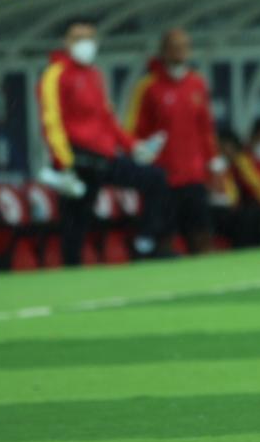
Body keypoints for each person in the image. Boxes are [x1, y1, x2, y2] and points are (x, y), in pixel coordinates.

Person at [36, 20, 171, 266]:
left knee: (155, 178)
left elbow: (108, 120)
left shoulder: (94, 74)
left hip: (104, 156)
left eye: (89, 38)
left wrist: (134, 147)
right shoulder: (55, 74)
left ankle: (145, 243)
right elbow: (51, 122)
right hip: (77, 159)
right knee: (76, 221)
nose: (85, 44)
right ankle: (72, 270)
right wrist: (64, 163)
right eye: (78, 38)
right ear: (66, 43)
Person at [123, 28, 225, 254]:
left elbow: (206, 128)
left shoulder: (197, 83)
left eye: (185, 47)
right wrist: (141, 156)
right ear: (164, 51)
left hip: (194, 175)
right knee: (164, 239)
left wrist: (214, 163)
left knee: (202, 234)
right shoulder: (148, 87)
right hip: (164, 178)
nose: (181, 52)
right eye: (176, 47)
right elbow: (133, 131)